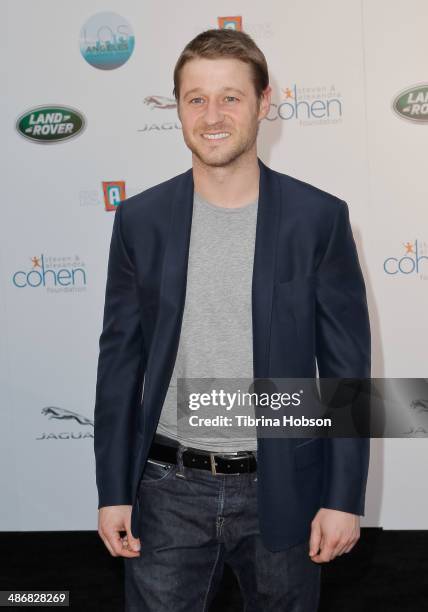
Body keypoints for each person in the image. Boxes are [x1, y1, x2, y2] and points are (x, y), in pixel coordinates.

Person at [94, 28, 371, 612]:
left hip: (286, 486)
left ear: (264, 102)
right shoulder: (139, 221)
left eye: (230, 97)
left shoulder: (318, 218)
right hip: (166, 488)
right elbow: (119, 366)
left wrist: (344, 497)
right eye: (196, 98)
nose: (212, 115)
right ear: (177, 108)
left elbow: (346, 369)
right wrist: (113, 490)